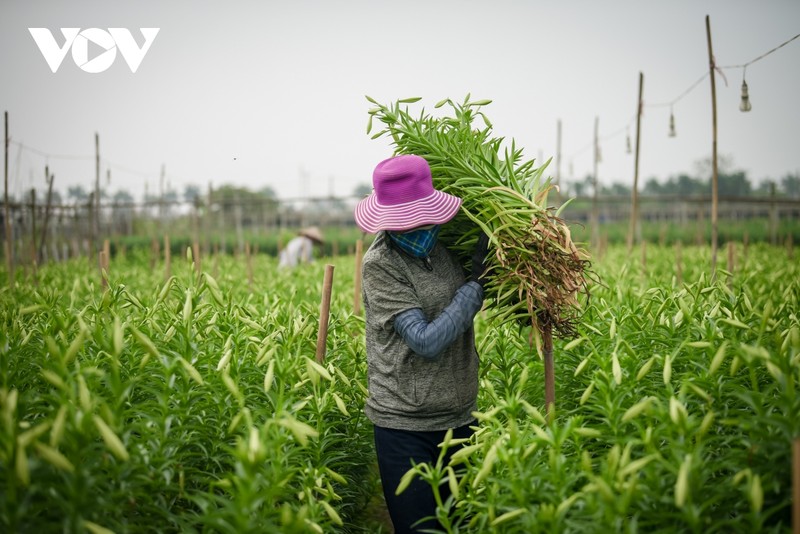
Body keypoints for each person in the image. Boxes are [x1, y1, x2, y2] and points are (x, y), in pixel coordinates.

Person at [354, 154, 490, 533]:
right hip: (404, 425)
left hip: (461, 416)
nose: (413, 225)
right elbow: (425, 341)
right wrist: (475, 288)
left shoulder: (447, 245)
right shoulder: (381, 264)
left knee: (461, 525)